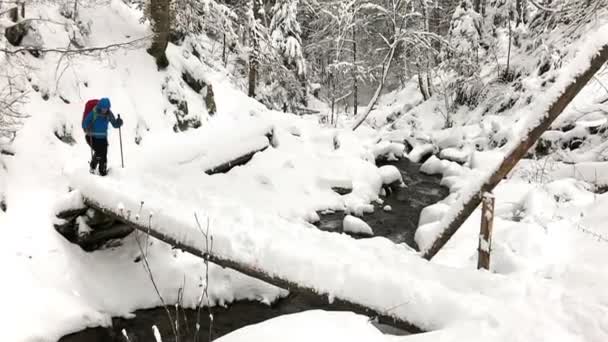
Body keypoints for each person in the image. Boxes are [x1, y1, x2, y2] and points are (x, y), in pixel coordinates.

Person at [82, 97, 123, 176]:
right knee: (99, 152)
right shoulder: (94, 113)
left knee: (103, 154)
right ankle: (92, 167)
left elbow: (114, 124)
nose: (105, 110)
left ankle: (102, 171)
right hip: (92, 136)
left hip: (103, 138)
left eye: (106, 108)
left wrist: (119, 123)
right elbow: (84, 123)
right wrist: (88, 127)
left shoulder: (109, 114)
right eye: (103, 108)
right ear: (100, 106)